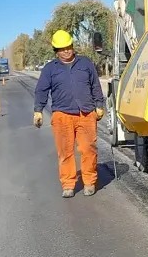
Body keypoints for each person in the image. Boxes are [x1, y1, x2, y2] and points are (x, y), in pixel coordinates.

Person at [33, 30, 106, 198]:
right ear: (56, 51)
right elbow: (41, 90)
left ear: (72, 46)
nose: (66, 51)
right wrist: (38, 110)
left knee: (88, 149)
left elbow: (95, 85)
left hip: (86, 113)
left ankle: (89, 182)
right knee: (65, 152)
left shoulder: (85, 63)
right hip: (62, 115)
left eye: (68, 47)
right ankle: (68, 184)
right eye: (62, 49)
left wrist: (99, 105)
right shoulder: (50, 69)